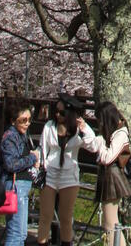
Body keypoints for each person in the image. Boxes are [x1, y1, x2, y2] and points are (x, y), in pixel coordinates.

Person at [37, 92, 96, 246]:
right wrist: (41, 168)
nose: (57, 115)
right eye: (56, 111)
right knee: (46, 215)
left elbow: (93, 145)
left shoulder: (78, 129)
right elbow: (43, 148)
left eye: (62, 112)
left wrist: (83, 128)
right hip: (50, 174)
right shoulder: (50, 126)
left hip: (69, 176)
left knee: (65, 217)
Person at [85, 102, 131, 246]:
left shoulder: (121, 133)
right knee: (110, 223)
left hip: (113, 178)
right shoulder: (115, 132)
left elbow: (108, 158)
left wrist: (100, 142)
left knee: (110, 224)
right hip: (108, 177)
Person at [0, 98, 40, 246]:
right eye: (23, 120)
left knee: (21, 234)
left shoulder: (21, 135)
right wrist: (32, 158)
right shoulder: (10, 136)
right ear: (13, 120)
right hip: (15, 187)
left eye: (29, 119)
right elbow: (11, 164)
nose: (27, 123)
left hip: (21, 187)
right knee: (16, 234)